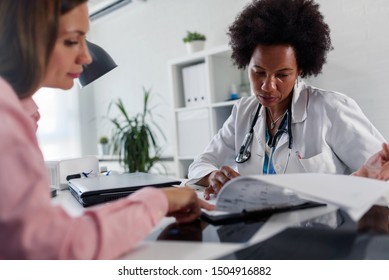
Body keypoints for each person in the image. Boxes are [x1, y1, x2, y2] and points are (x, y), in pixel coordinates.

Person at [0, 0, 213, 260]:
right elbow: (58, 249)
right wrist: (160, 200)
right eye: (71, 41)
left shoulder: (17, 110)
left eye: (84, 40)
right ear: (21, 38)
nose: (86, 57)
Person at [187, 0, 386, 200]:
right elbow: (199, 164)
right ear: (246, 64)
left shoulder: (331, 109)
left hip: (323, 227)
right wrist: (213, 176)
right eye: (259, 72)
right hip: (256, 224)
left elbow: (382, 171)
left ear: (300, 70)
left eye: (282, 75)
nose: (267, 86)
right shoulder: (243, 112)